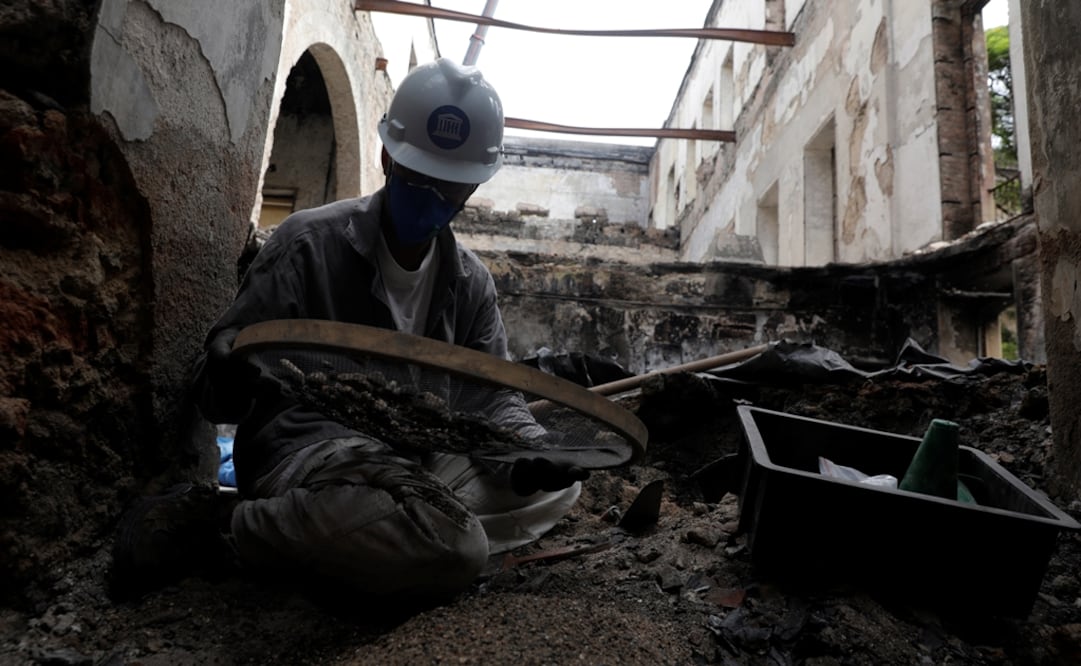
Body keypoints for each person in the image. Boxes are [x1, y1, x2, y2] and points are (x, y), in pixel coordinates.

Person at [112, 58, 587, 604]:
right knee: (457, 547)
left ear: (472, 189)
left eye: (448, 189)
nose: (431, 200)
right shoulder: (305, 244)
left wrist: (527, 448)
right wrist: (227, 364)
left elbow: (491, 397)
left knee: (553, 493)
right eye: (417, 181)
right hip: (309, 455)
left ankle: (367, 540)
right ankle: (228, 525)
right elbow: (218, 399)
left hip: (414, 459)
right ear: (387, 158)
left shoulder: (470, 284)